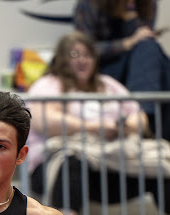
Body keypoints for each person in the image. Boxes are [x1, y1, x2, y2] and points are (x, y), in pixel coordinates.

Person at [26, 32, 170, 215]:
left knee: (161, 162)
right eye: (75, 55)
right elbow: (45, 121)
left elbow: (140, 118)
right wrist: (94, 128)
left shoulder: (108, 85)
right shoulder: (49, 85)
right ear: (61, 58)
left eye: (87, 55)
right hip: (57, 162)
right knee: (70, 160)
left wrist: (123, 126)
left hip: (110, 159)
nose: (82, 60)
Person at [73, 0, 170, 139]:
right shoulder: (89, 4)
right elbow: (84, 49)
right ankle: (142, 122)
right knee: (148, 50)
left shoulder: (147, 4)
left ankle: (143, 120)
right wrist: (126, 43)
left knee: (155, 56)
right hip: (103, 70)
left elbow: (144, 38)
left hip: (138, 68)